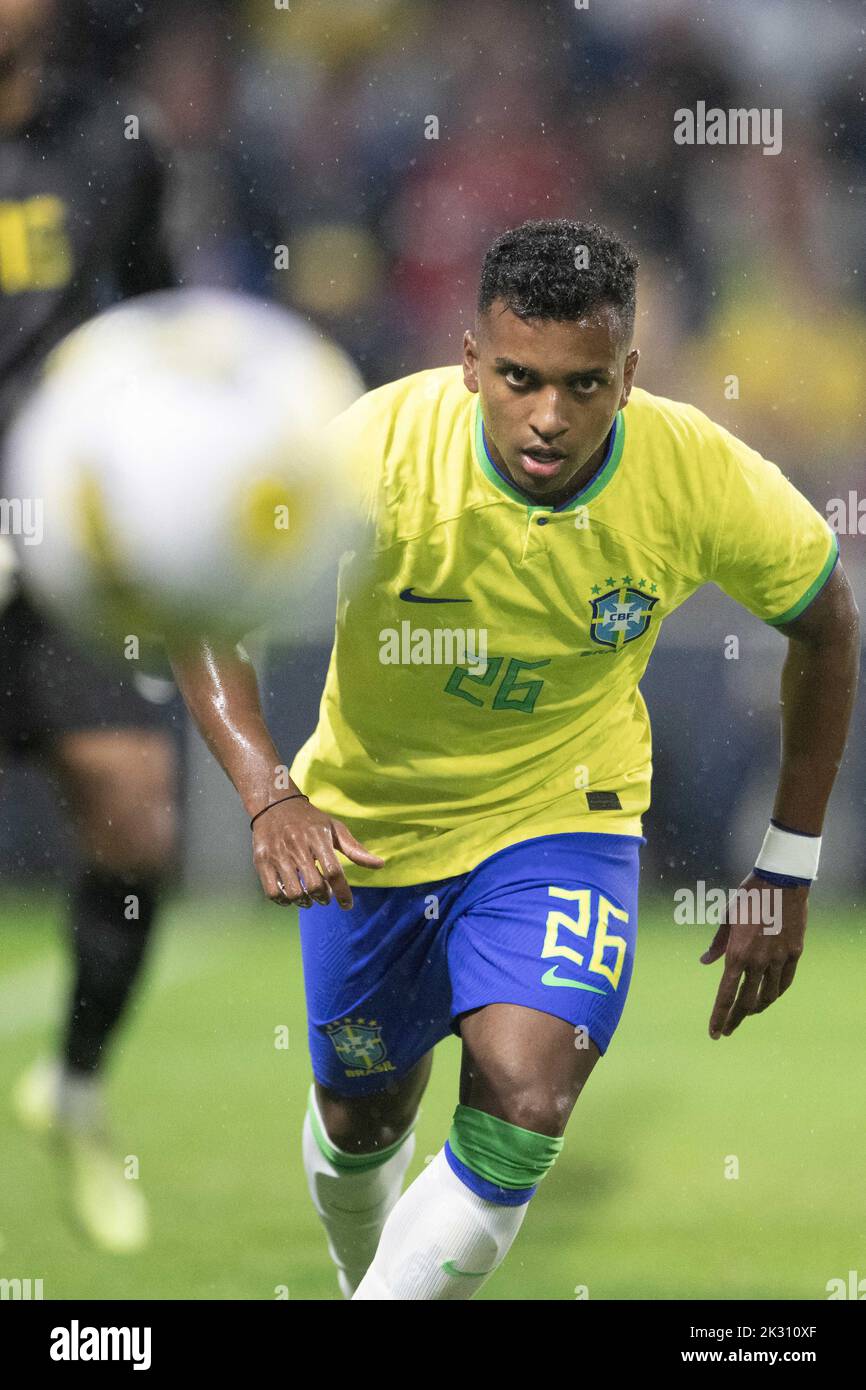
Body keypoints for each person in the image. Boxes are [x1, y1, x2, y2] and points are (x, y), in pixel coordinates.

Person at [168, 218, 859, 1300]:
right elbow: (203, 600)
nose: (548, 417)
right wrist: (268, 795)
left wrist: (785, 865)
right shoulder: (373, 452)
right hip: (371, 826)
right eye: (517, 377)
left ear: (628, 375)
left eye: (584, 386)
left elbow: (826, 620)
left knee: (526, 1100)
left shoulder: (694, 475)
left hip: (564, 812)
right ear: (467, 360)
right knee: (363, 1117)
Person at [0, 0, 179, 1253]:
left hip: (56, 551)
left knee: (136, 810)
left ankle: (73, 1077)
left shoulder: (115, 142)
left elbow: (161, 319)